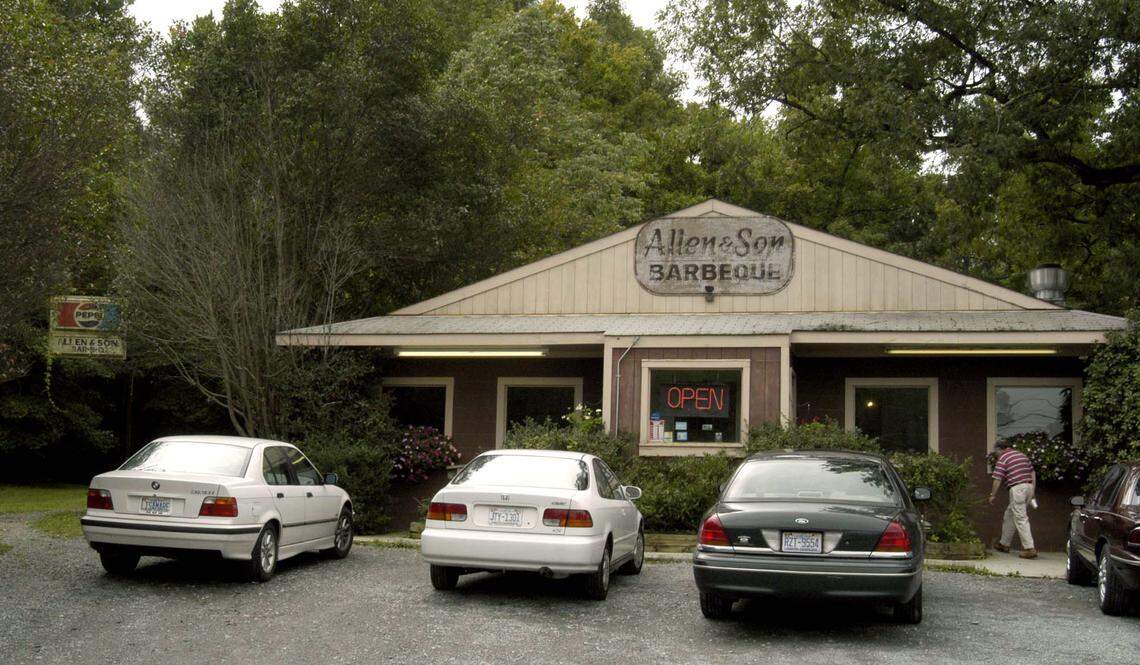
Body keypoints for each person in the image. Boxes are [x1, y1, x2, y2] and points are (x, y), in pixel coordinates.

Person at [989, 440, 1037, 559]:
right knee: (1010, 514)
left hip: (1017, 488)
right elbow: (1032, 473)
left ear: (1000, 449)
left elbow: (997, 478)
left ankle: (1029, 548)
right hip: (1029, 487)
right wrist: (1033, 491)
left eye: (995, 452)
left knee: (1020, 517)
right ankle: (1004, 544)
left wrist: (992, 495)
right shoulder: (1022, 455)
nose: (996, 454)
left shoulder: (1003, 458)